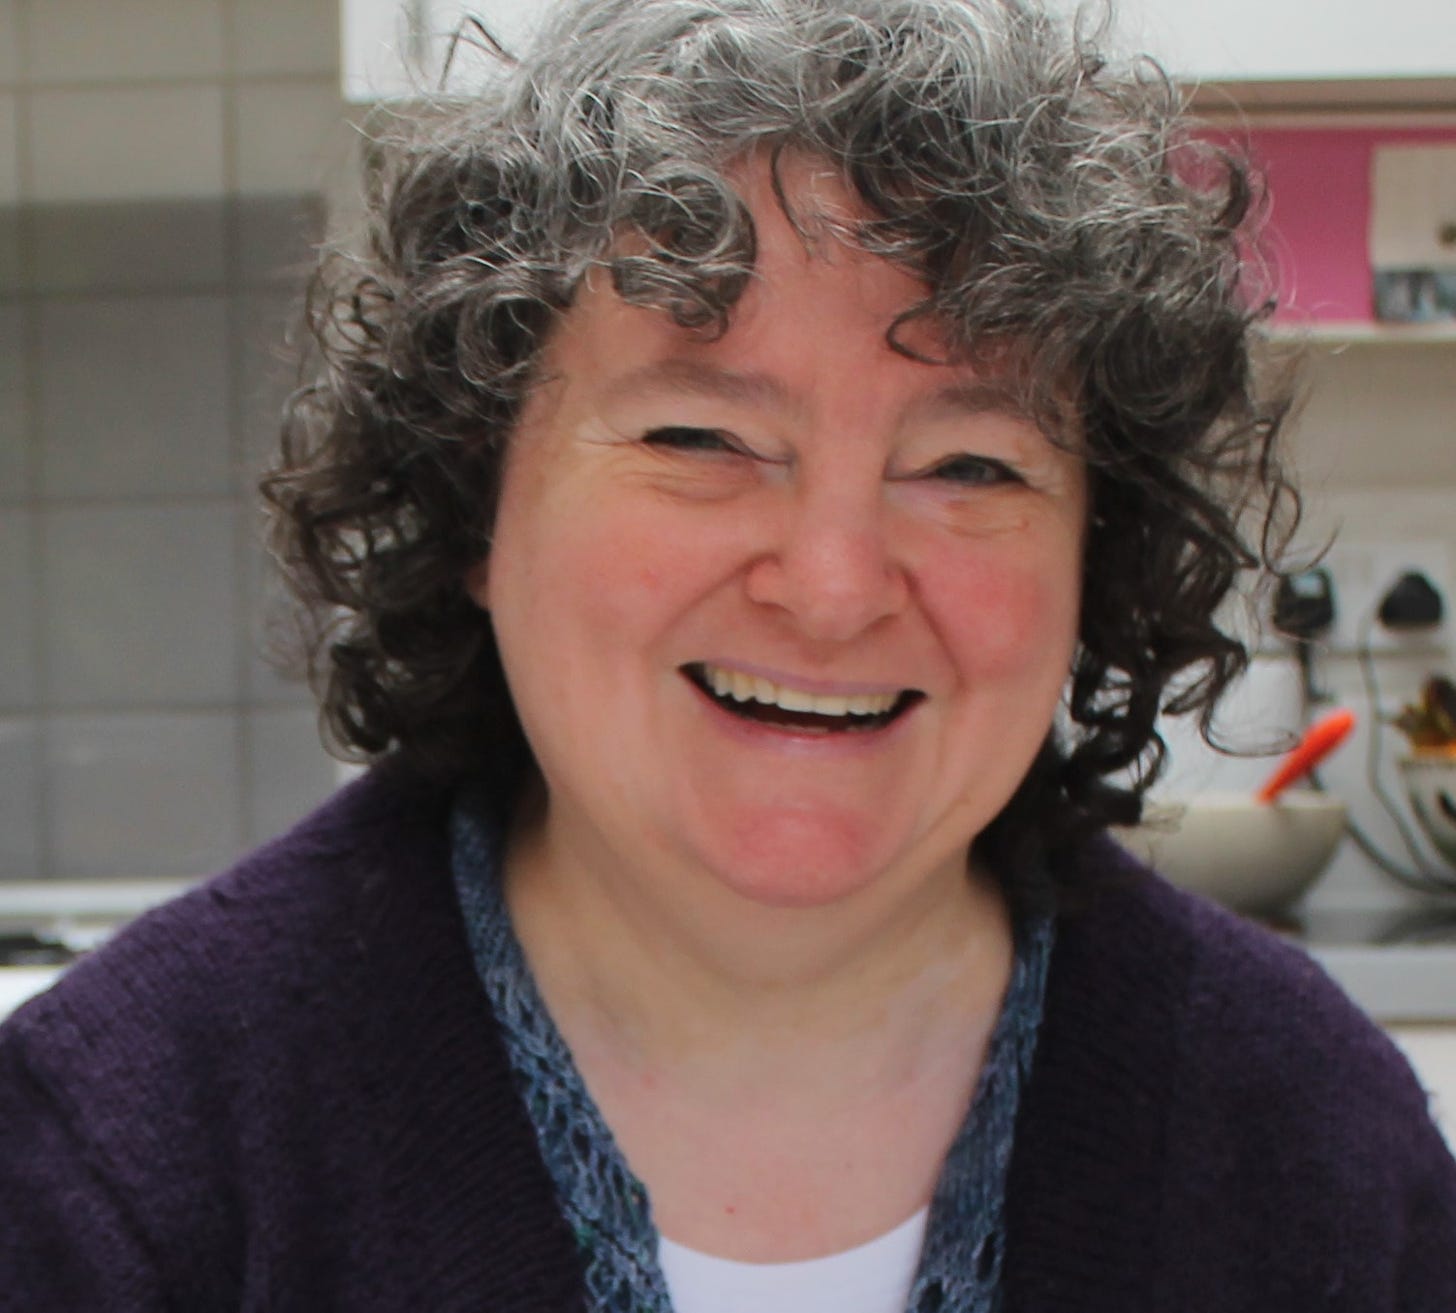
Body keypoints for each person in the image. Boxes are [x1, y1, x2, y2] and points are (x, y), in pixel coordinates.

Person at [2, 0, 1453, 1307]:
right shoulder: (124, 1171)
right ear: (473, 503)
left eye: (969, 464)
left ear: (1095, 547)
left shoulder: (1314, 1151)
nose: (831, 587)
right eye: (699, 437)